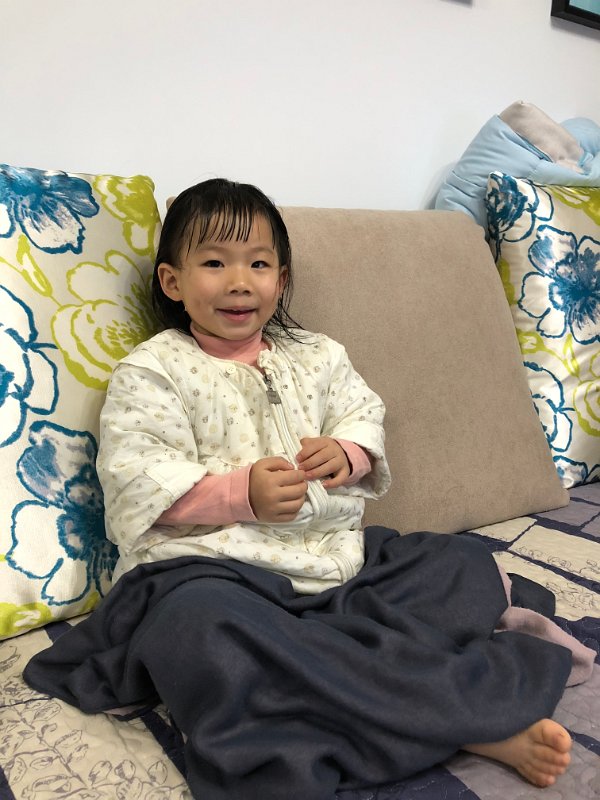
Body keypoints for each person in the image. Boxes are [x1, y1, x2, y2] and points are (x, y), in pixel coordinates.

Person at [24, 179, 593, 800]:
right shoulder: (152, 371)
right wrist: (240, 494)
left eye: (258, 264)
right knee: (198, 631)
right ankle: (466, 717)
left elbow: (362, 414)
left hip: (335, 565)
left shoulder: (318, 356)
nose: (239, 282)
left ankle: (358, 688)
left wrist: (349, 453)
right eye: (213, 263)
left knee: (459, 562)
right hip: (210, 574)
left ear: (282, 279)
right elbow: (135, 480)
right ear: (172, 281)